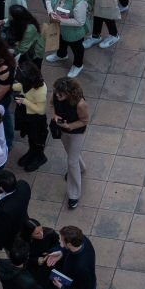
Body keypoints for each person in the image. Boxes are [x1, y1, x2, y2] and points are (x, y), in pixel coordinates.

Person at [50, 77, 90, 209]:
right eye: (56, 92)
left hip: (76, 133)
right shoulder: (56, 94)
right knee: (72, 154)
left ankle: (74, 194)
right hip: (62, 131)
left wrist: (69, 126)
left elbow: (84, 121)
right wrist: (55, 116)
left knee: (71, 162)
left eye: (60, 94)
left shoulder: (80, 104)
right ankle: (81, 168)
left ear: (69, 93)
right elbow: (52, 105)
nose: (57, 95)